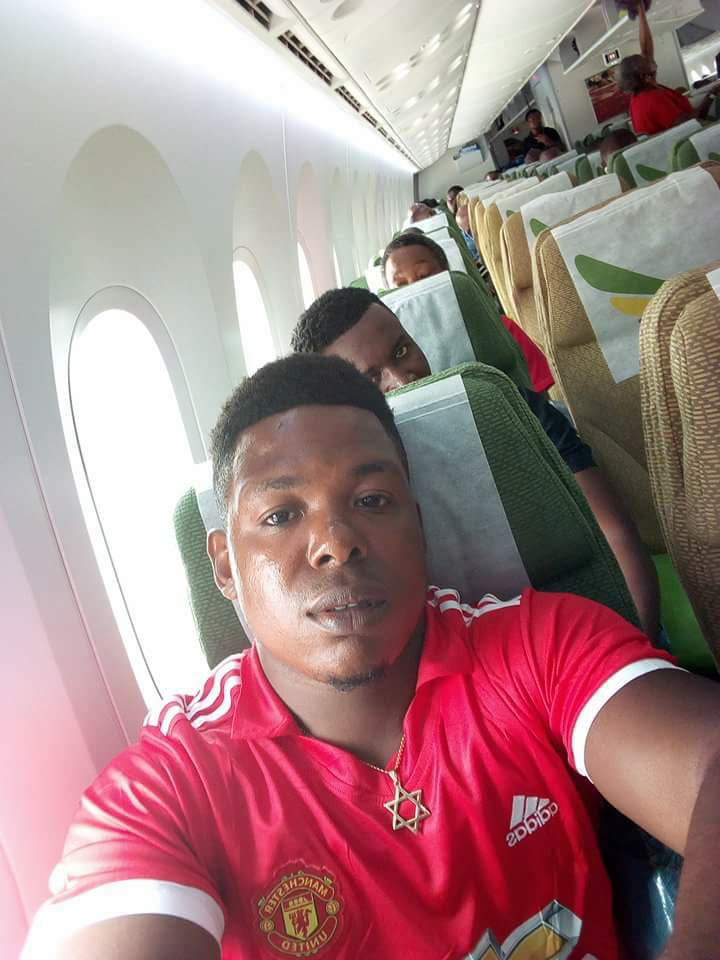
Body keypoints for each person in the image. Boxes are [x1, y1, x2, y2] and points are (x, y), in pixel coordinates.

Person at [24, 351, 720, 959]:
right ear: (226, 567)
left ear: (418, 525)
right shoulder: (178, 783)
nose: (336, 543)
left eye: (373, 499)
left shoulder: (538, 647)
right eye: (280, 514)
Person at [292, 288, 661, 639]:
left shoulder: (507, 409)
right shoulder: (339, 499)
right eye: (372, 378)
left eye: (402, 351)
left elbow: (613, 534)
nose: (401, 379)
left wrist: (638, 645)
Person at [382, 231, 556, 395]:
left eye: (425, 277)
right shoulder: (391, 367)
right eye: (401, 286)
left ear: (448, 275)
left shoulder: (498, 327)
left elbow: (539, 398)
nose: (416, 291)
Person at [618, 1, 716, 135]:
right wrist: (711, 94)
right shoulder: (654, 99)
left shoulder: (638, 97)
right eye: (645, 61)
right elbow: (691, 124)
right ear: (644, 76)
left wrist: (642, 13)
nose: (649, 59)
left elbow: (646, 47)